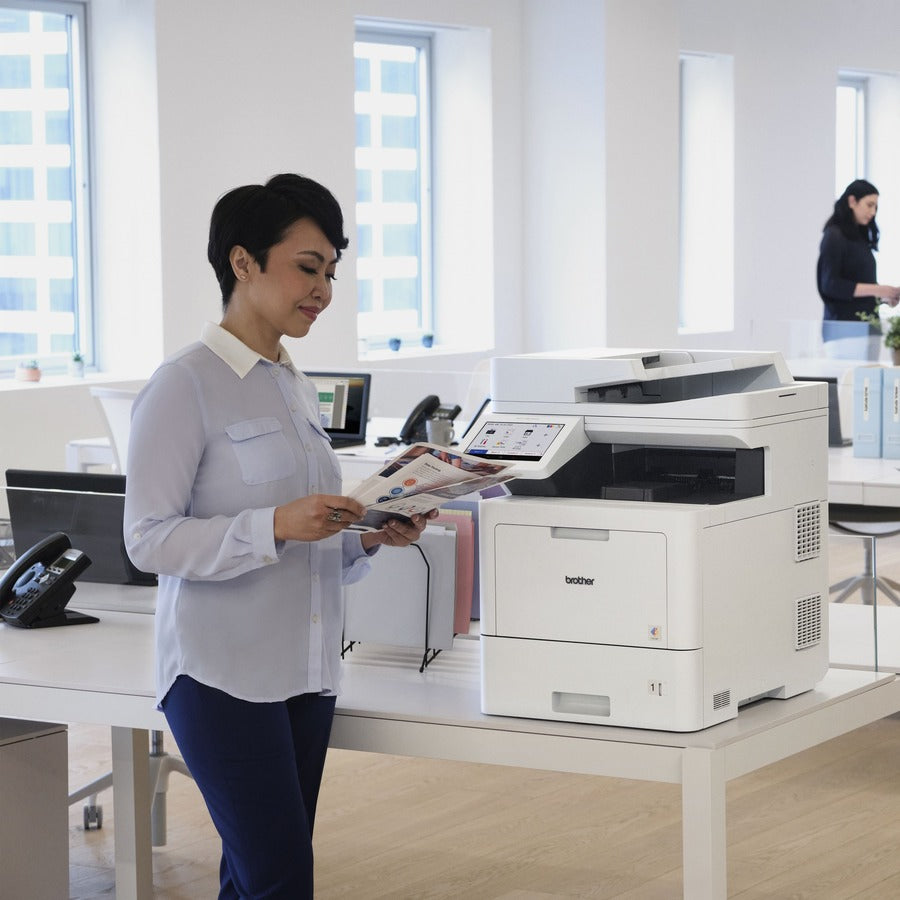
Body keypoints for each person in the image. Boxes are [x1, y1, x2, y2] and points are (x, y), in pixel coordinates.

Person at [124, 173, 435, 899]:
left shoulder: (292, 383)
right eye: (307, 266)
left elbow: (304, 533)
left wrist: (364, 536)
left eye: (331, 271)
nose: (323, 289)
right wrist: (272, 526)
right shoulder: (184, 384)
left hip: (304, 672)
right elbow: (147, 539)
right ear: (242, 262)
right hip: (220, 676)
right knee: (279, 878)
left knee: (260, 877)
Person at [817, 178, 900, 357]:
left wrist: (884, 297)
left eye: (876, 207)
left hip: (868, 331)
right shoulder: (834, 236)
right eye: (869, 205)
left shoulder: (860, 240)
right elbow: (830, 284)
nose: (873, 212)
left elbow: (859, 288)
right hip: (844, 332)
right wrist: (879, 289)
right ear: (852, 201)